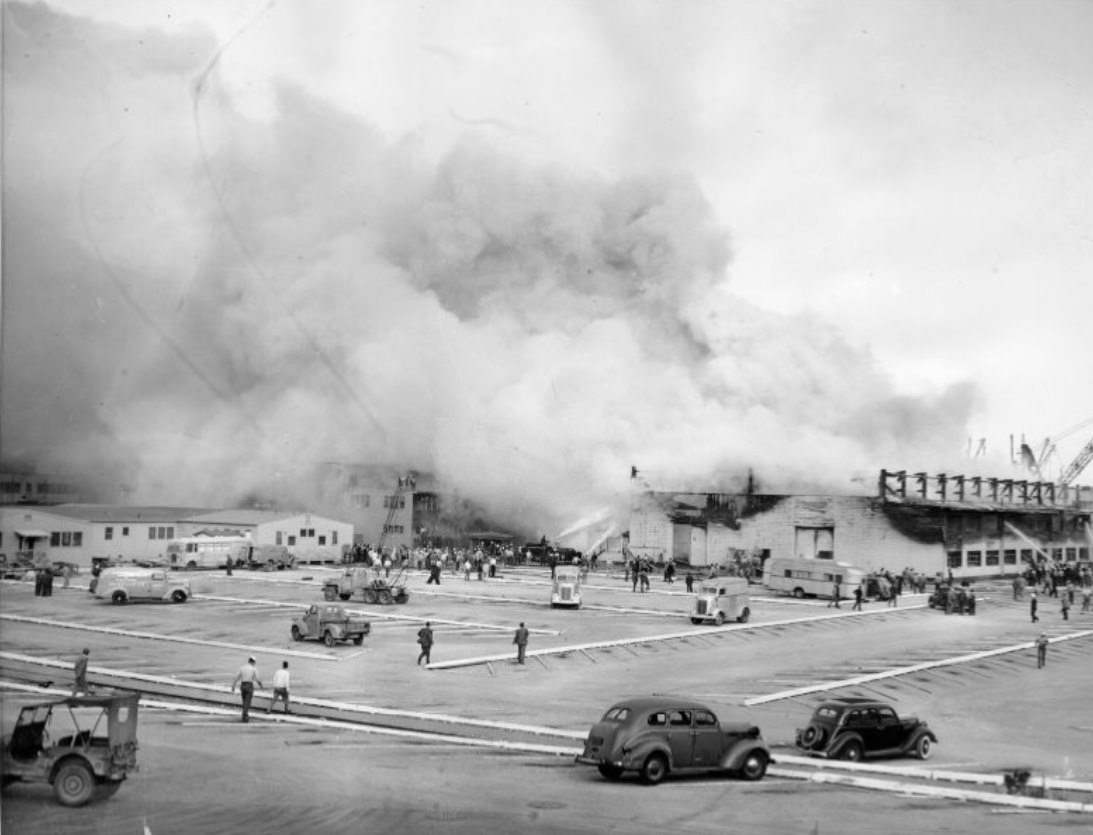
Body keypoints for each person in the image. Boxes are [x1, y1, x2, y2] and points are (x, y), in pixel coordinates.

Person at [231, 656, 263, 723]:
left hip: (242, 685)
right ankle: (244, 716)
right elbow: (257, 679)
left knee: (244, 701)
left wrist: (233, 686)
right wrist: (261, 685)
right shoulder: (254, 669)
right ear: (253, 662)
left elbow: (236, 677)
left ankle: (245, 715)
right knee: (248, 702)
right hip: (249, 685)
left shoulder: (242, 668)